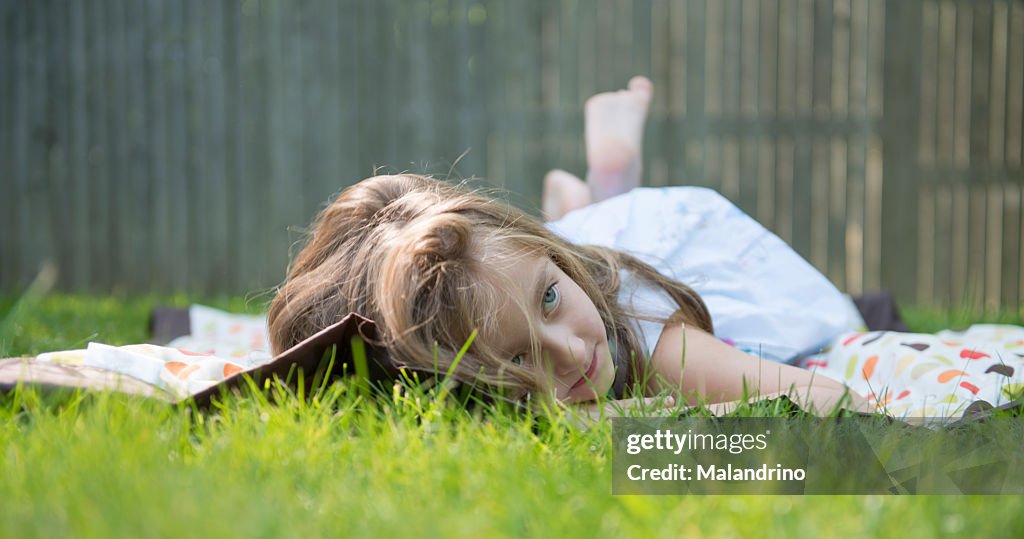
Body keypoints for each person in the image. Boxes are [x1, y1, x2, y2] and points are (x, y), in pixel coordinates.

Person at [267, 77, 868, 414]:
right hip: (583, 250)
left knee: (600, 269)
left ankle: (598, 198)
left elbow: (829, 405)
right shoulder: (514, 284)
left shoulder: (658, 347)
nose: (571, 354)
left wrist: (620, 429)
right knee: (573, 258)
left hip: (679, 239)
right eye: (519, 359)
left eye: (550, 301)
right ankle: (591, 200)